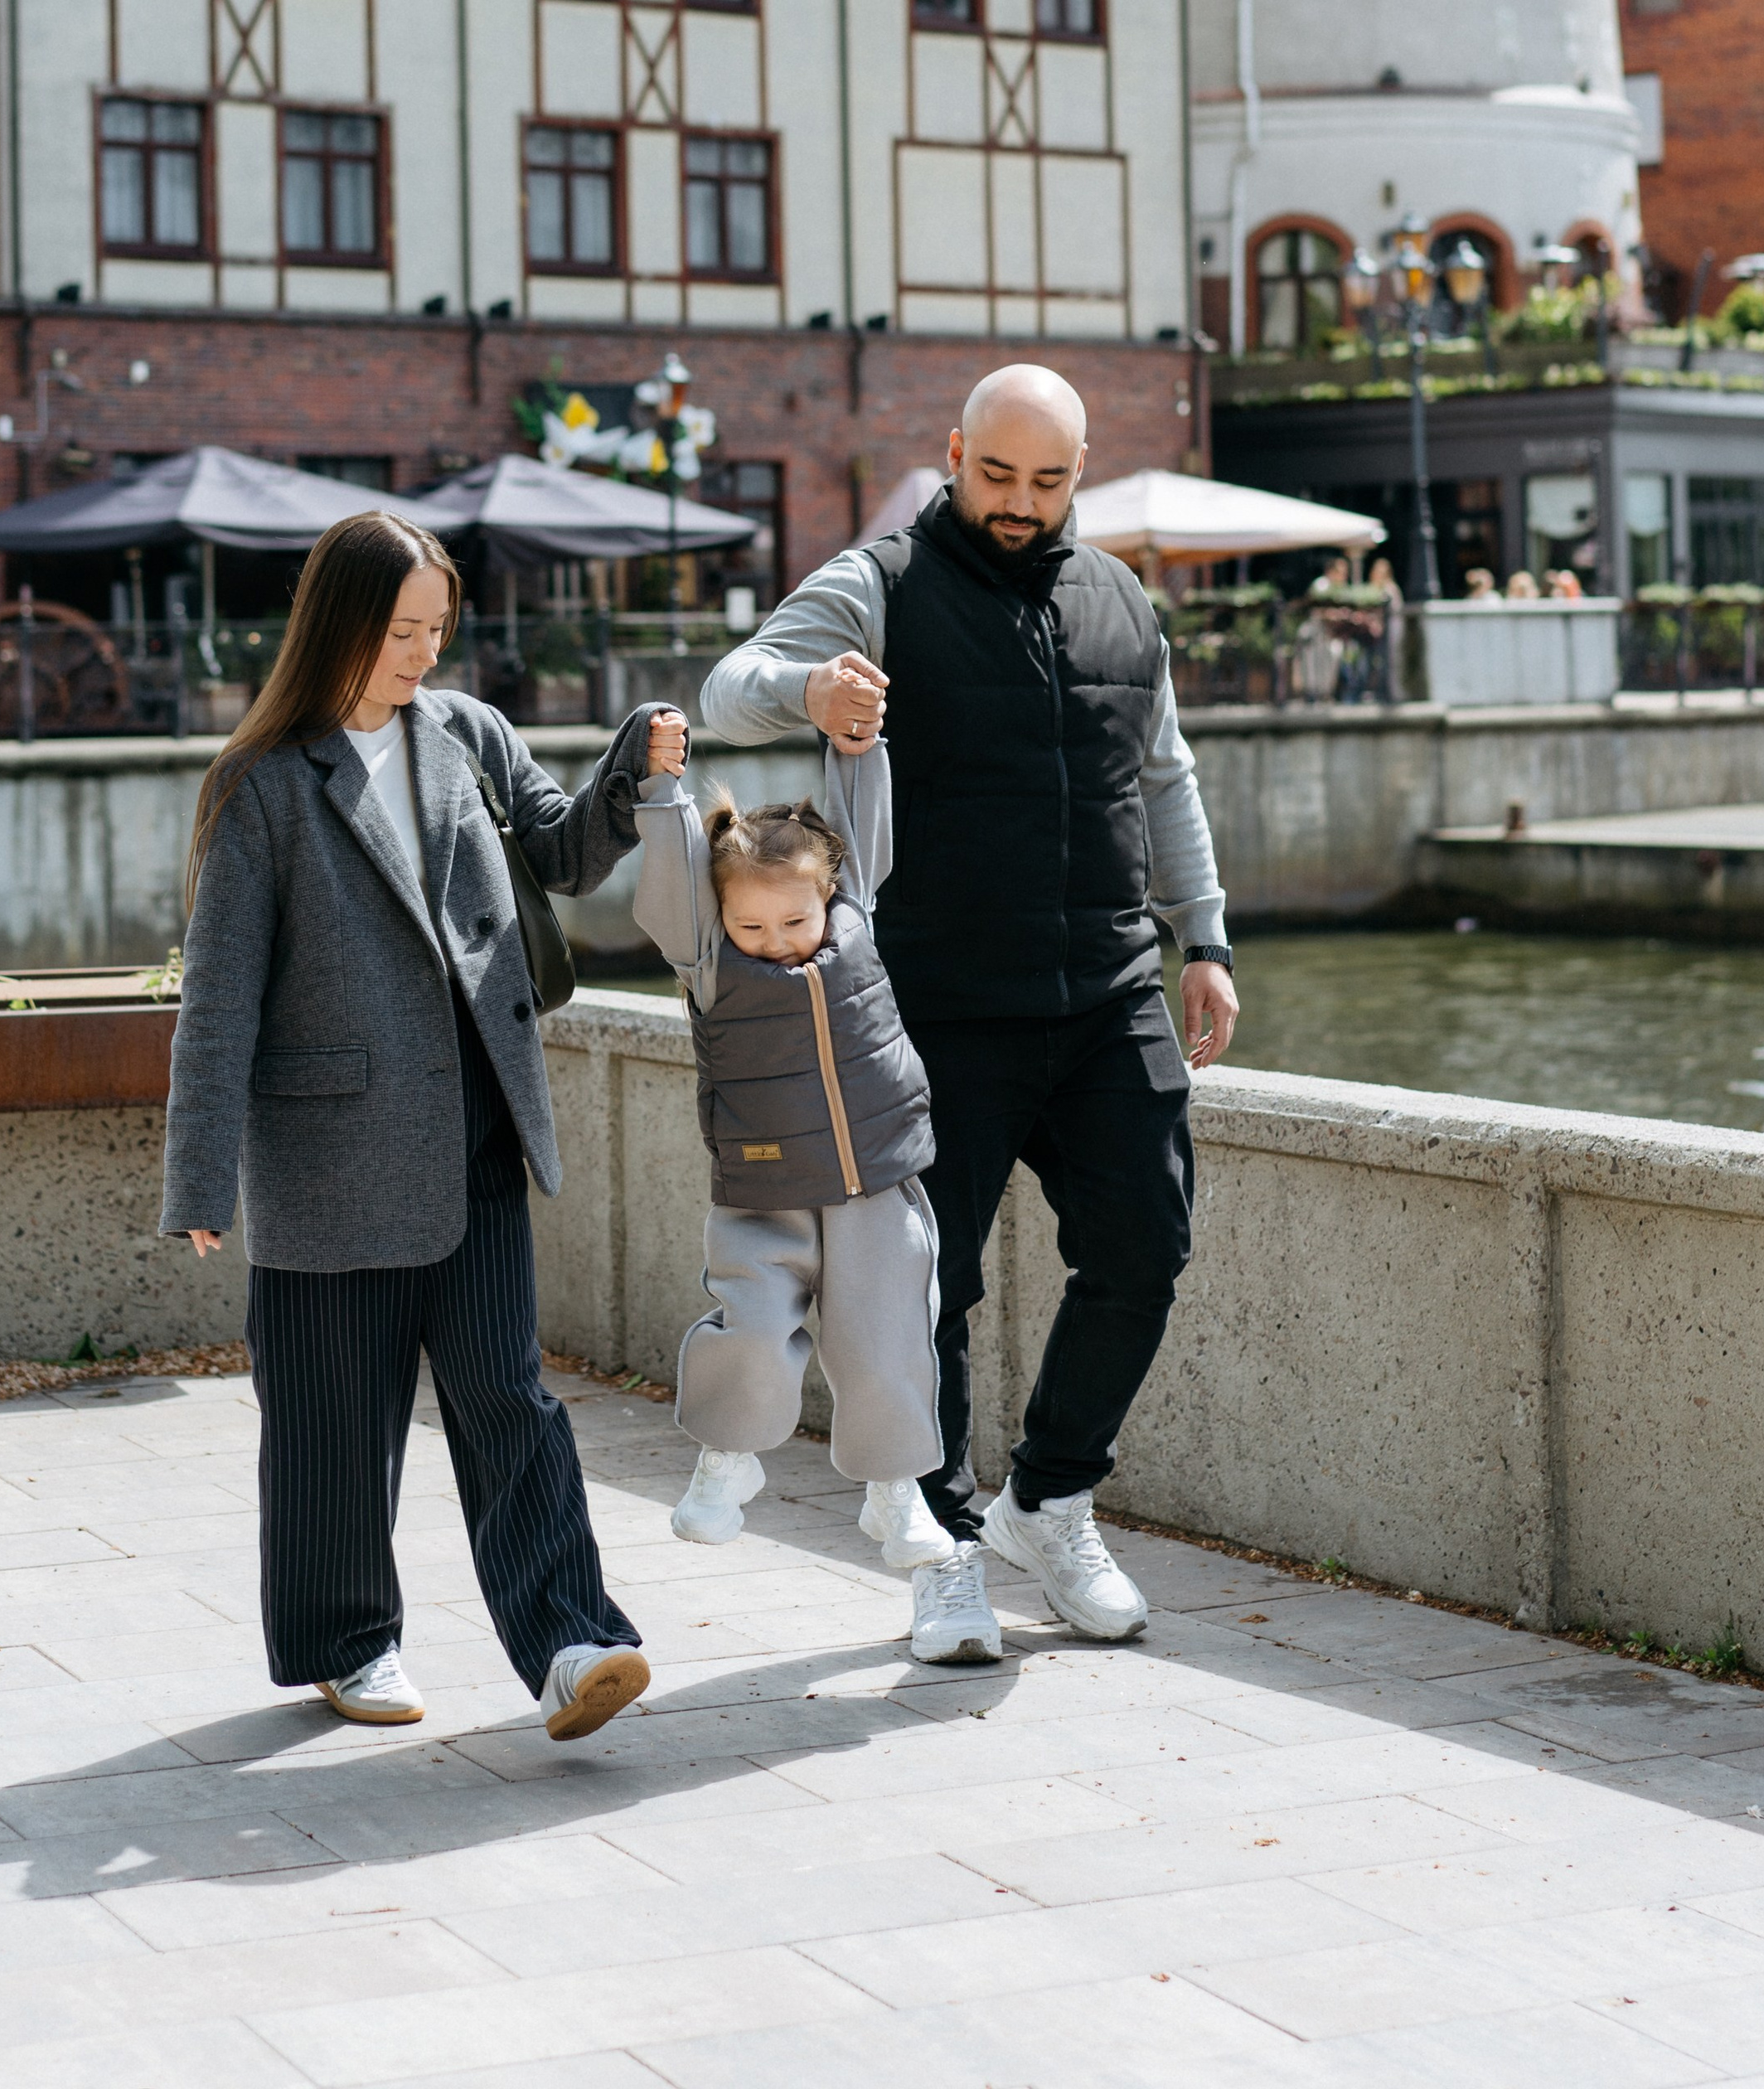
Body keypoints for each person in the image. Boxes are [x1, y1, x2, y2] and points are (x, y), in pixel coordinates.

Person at [701, 363, 1236, 1666]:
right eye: (995, 475)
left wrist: (1204, 938)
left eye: (1047, 481)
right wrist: (812, 697)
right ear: (955, 454)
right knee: (921, 1297)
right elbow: (731, 684)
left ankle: (1047, 1502)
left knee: (1145, 1249)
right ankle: (939, 1548)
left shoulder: (1122, 603)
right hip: (939, 1002)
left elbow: (1164, 776)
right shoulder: (879, 584)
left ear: (1079, 476)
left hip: (1109, 992)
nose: (1018, 502)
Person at [161, 510, 664, 1742]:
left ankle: (572, 1643)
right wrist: (201, 1180)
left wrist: (629, 772)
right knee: (336, 1416)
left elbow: (560, 853)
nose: (424, 654)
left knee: (508, 1396)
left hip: (480, 1128)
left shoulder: (472, 736)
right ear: (339, 625)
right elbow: (218, 997)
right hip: (329, 1154)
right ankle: (348, 1644)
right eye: (401, 631)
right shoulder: (263, 787)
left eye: (438, 629)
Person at [632, 723, 949, 1573]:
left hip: (875, 1189)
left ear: (830, 898)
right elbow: (667, 890)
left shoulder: (855, 922)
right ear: (720, 917)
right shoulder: (706, 961)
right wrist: (663, 793)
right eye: (752, 925)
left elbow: (863, 818)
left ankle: (898, 1493)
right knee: (751, 1329)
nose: (776, 939)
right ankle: (726, 1459)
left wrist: (857, 743)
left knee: (887, 1345)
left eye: (794, 919)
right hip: (762, 1193)